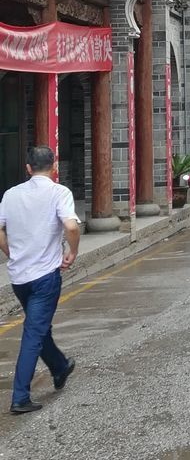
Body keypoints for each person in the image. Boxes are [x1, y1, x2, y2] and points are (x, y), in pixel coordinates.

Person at [0, 146, 79, 414]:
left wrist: (10, 252)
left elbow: (0, 228)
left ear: (28, 168)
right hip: (45, 276)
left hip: (19, 277)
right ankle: (20, 397)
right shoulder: (59, 192)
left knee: (39, 325)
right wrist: (73, 251)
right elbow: (71, 226)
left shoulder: (10, 194)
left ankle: (60, 367)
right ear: (54, 167)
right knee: (34, 332)